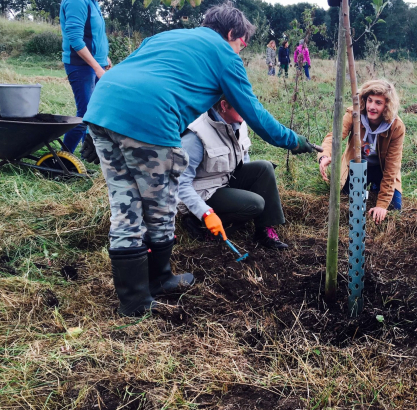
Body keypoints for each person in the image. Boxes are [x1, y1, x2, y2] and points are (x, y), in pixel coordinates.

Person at [82, 5, 319, 317]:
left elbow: (131, 76)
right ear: (231, 34)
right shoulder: (224, 54)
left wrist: (92, 130)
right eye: (243, 39)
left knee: (124, 204)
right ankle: (148, 291)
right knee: (159, 206)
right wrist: (296, 141)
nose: (243, 45)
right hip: (149, 118)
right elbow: (255, 114)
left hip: (101, 108)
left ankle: (140, 293)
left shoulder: (165, 38)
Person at [178, 94, 288, 249]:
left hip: (225, 179)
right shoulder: (196, 134)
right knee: (255, 204)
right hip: (203, 193)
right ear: (223, 106)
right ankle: (200, 225)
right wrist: (204, 212)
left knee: (264, 167)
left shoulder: (239, 121)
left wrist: (248, 187)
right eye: (241, 105)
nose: (247, 110)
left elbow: (243, 156)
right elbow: (180, 184)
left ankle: (265, 228)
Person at [318, 79, 405, 224]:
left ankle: (376, 187)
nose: (371, 106)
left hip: (381, 169)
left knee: (394, 210)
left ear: (386, 106)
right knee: (346, 202)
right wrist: (325, 155)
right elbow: (335, 137)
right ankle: (368, 187)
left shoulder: (396, 127)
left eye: (378, 103)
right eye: (369, 100)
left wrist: (381, 205)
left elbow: (392, 167)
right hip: (356, 166)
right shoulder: (354, 113)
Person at [59, 0, 110, 153]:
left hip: (95, 64)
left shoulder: (93, 2)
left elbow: (95, 34)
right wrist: (96, 67)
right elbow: (75, 38)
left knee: (94, 113)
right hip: (81, 65)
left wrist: (104, 57)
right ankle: (62, 160)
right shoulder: (77, 2)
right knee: (86, 115)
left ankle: (85, 156)